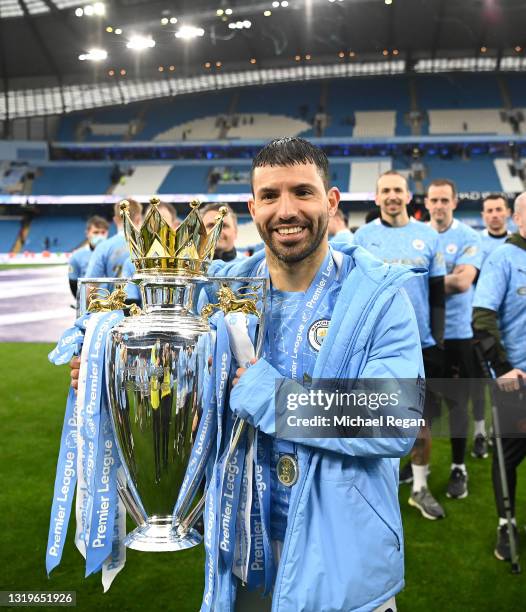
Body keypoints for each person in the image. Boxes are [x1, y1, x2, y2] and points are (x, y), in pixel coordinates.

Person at [70, 137, 423, 611]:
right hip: (241, 558)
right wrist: (107, 370)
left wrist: (275, 398)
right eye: (271, 196)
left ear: (331, 200)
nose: (287, 210)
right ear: (252, 207)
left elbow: (394, 416)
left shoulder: (378, 297)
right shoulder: (217, 294)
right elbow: (177, 385)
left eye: (303, 192)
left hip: (342, 564)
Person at [354, 170, 446, 520]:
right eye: (385, 191)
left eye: (398, 190)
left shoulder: (427, 236)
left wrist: (439, 341)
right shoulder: (363, 237)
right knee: (376, 419)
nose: (392, 196)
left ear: (408, 196)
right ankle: (379, 488)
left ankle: (419, 489)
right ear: (377, 199)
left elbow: (437, 293)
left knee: (422, 422)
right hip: (377, 346)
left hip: (421, 346)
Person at [473, 191, 526, 562]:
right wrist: (503, 368)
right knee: (508, 457)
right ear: (518, 218)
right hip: (518, 381)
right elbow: (482, 319)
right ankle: (506, 525)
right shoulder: (503, 259)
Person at [425, 179, 482, 499]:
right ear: (428, 202)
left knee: (457, 405)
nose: (439, 205)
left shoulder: (468, 236)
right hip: (428, 335)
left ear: (455, 202)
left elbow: (462, 282)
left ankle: (459, 467)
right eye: (434, 200)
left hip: (459, 333)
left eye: (445, 199)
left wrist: (424, 279)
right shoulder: (419, 235)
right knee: (425, 406)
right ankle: (422, 464)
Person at [470, 194, 512, 460]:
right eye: (489, 210)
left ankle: (500, 431)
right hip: (481, 327)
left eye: (499, 209)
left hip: (512, 327)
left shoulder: (518, 243)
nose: (494, 214)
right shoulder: (477, 244)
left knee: (505, 383)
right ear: (484, 215)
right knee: (477, 384)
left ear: (508, 213)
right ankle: (479, 432)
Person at [85, 199, 143, 279]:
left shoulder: (103, 247)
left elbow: (91, 284)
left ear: (115, 220)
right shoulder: (150, 246)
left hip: (114, 291)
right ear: (139, 218)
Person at [68, 215, 109, 297]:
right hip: (89, 306)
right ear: (87, 233)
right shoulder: (76, 257)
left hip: (113, 306)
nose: (100, 236)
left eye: (103, 232)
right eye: (96, 232)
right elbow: (73, 285)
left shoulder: (114, 254)